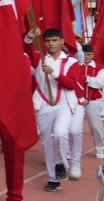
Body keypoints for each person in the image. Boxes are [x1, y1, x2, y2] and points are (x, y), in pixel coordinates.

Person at [33, 28, 79, 192]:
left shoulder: (72, 63)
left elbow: (71, 84)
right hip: (43, 103)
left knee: (60, 133)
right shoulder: (40, 59)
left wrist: (53, 73)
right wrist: (29, 38)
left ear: (61, 41)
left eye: (54, 40)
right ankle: (53, 179)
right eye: (48, 41)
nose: (51, 44)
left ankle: (61, 164)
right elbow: (23, 52)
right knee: (47, 142)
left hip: (63, 104)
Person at [82, 47, 104, 161]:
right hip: (77, 102)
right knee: (72, 129)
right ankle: (68, 152)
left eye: (89, 54)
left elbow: (99, 83)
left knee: (96, 126)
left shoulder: (100, 68)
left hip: (93, 101)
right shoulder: (76, 66)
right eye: (84, 54)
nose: (86, 57)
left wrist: (85, 78)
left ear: (93, 55)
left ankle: (101, 149)